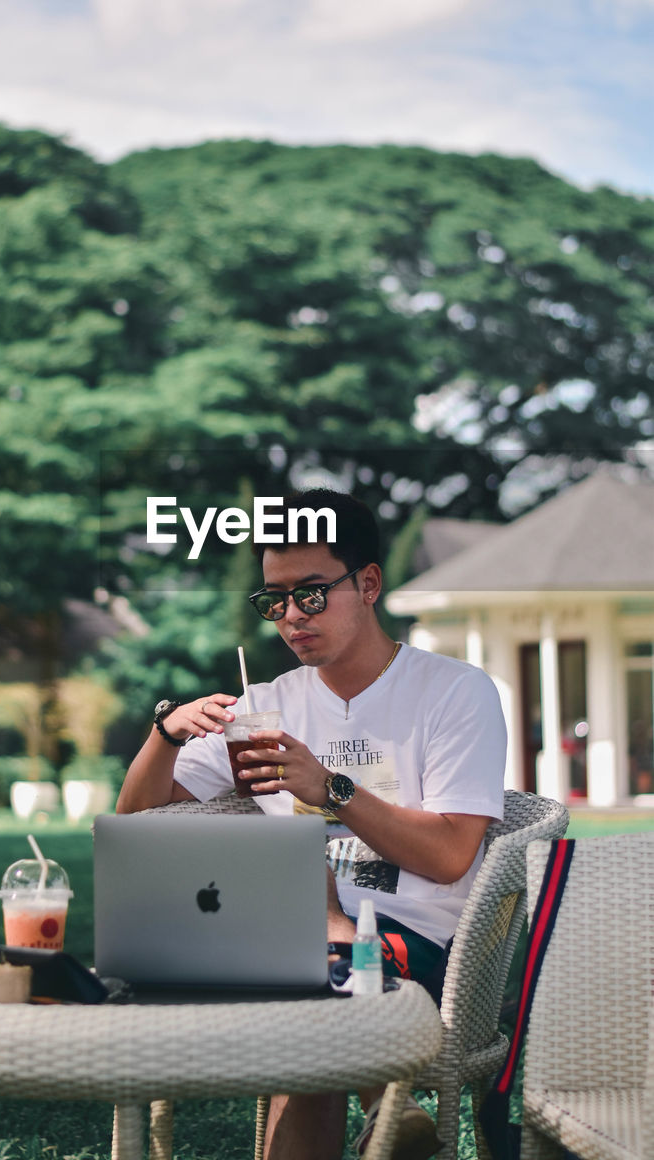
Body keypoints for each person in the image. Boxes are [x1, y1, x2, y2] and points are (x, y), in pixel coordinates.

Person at [116, 488, 507, 1160]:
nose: (290, 616)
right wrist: (165, 734)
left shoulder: (452, 692)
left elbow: (447, 856)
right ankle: (384, 1101)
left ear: (368, 583)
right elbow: (140, 822)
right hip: (281, 939)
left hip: (417, 944)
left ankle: (370, 1073)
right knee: (304, 944)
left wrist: (329, 788)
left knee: (309, 996)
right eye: (273, 601)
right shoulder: (264, 706)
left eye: (311, 593)